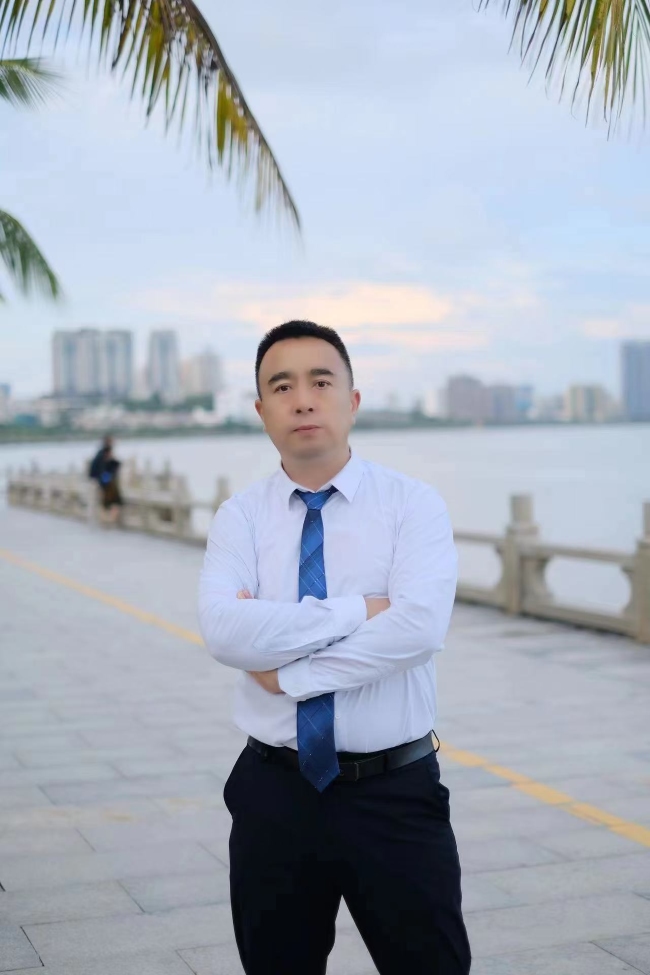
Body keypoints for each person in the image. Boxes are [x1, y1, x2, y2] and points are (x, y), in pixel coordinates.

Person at [198, 320, 471, 975]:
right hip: (274, 793)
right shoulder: (241, 517)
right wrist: (358, 610)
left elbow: (417, 630)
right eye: (281, 386)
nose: (302, 400)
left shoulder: (412, 505)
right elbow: (224, 630)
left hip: (393, 794)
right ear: (260, 410)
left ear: (352, 400)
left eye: (321, 382)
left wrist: (288, 673)